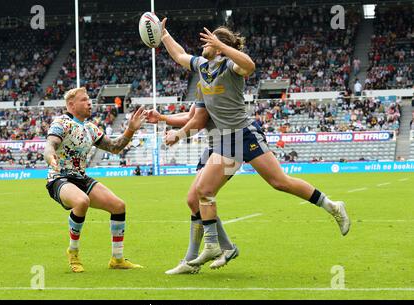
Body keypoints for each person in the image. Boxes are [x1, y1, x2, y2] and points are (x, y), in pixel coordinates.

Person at [160, 19, 350, 267]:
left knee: (280, 182)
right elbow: (179, 55)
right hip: (225, 140)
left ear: (218, 47)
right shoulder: (201, 67)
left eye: (209, 42)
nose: (203, 45)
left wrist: (221, 46)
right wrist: (163, 34)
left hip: (245, 134)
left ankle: (333, 206)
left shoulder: (230, 66)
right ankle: (213, 246)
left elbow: (249, 65)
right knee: (203, 191)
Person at [44, 87, 145, 273]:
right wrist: (50, 157)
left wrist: (130, 130)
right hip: (59, 177)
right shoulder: (62, 123)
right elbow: (50, 144)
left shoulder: (90, 128)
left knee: (118, 206)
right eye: (84, 100)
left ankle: (117, 259)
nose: (89, 102)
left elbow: (114, 147)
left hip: (80, 177)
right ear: (71, 104)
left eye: (89, 99)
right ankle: (73, 252)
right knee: (82, 201)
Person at [145, 99, 239, 274]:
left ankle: (193, 259)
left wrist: (177, 135)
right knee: (193, 201)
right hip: (214, 148)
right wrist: (162, 117)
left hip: (228, 146)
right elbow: (191, 116)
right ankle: (223, 248)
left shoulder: (212, 81)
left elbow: (198, 122)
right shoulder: (202, 83)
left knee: (202, 195)